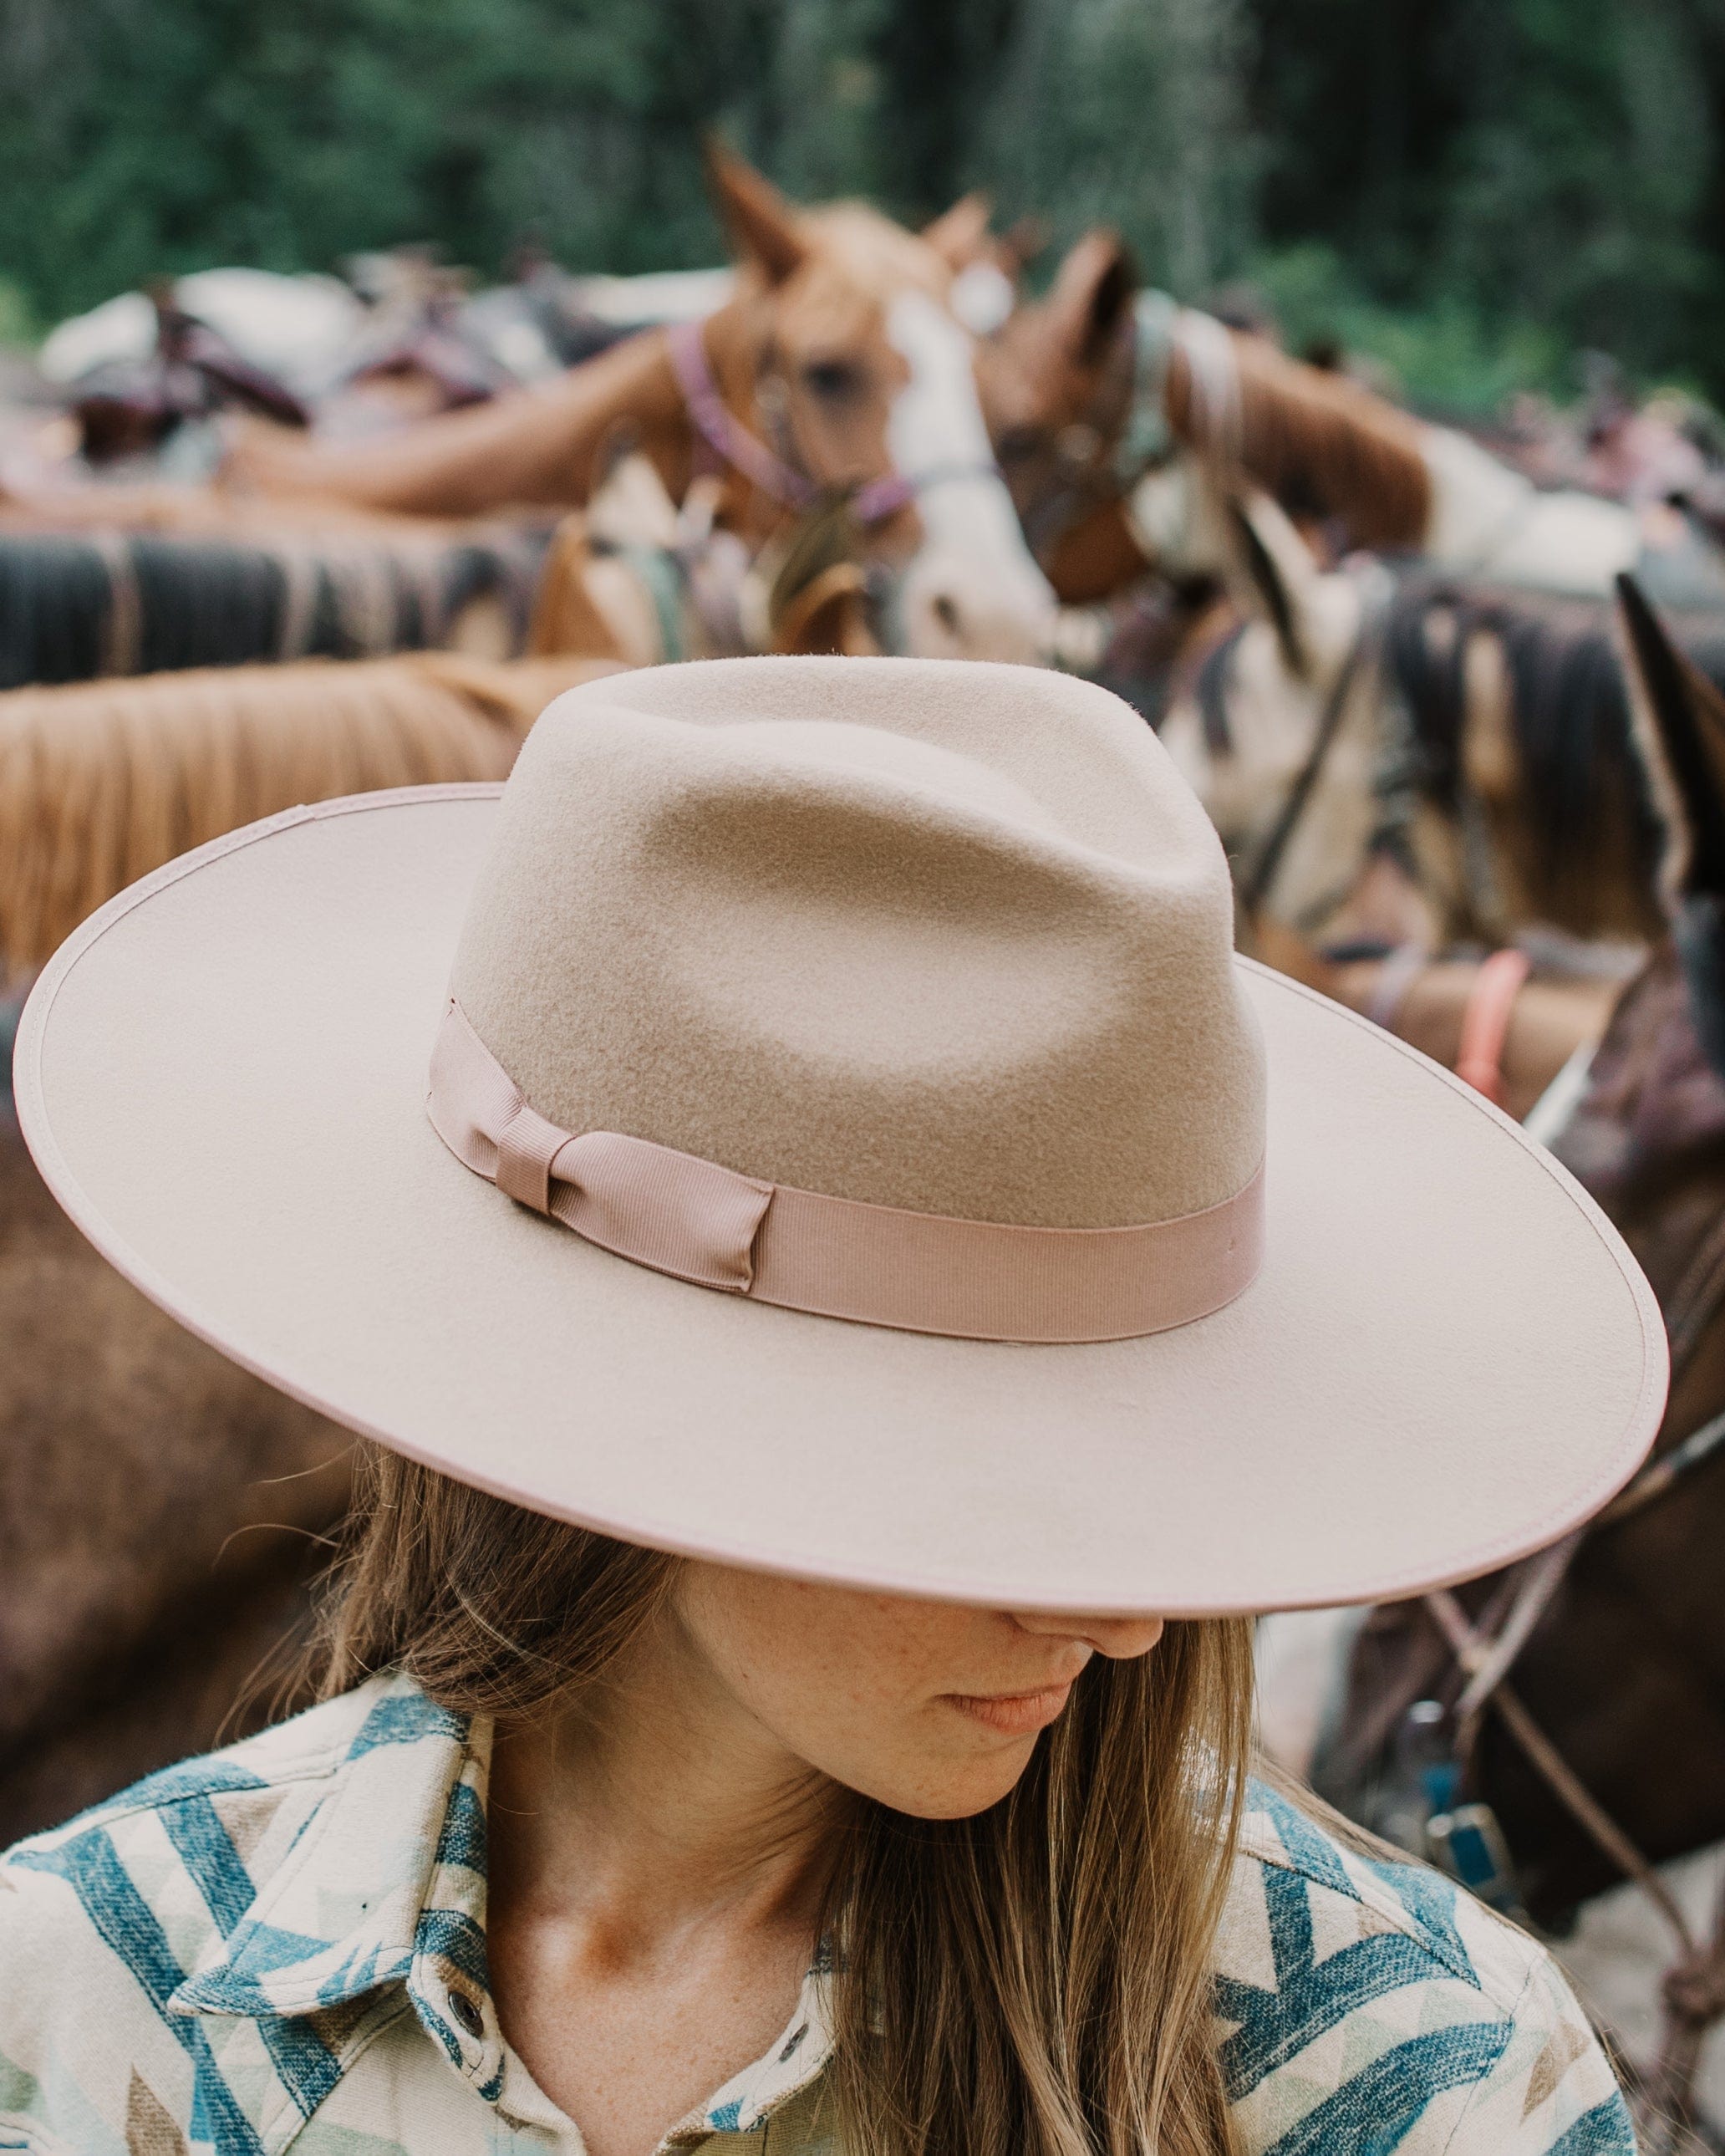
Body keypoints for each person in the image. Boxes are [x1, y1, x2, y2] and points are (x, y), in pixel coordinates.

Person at [3, 656, 1661, 2153]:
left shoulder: (1429, 2083)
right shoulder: (75, 2007)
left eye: (1149, 1458)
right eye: (989, 1468)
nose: (1133, 1617)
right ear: (625, 1393)